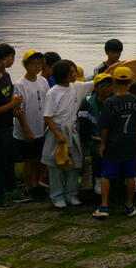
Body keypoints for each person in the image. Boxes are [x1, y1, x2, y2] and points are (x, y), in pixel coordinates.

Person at [41, 60, 96, 208]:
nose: (74, 74)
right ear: (62, 74)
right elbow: (47, 116)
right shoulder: (53, 92)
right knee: (56, 164)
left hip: (72, 129)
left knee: (74, 164)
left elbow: (95, 82)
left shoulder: (77, 87)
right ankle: (57, 195)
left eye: (74, 71)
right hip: (58, 130)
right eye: (71, 72)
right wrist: (58, 134)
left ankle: (71, 194)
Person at [93, 66, 136, 218]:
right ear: (130, 82)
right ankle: (130, 205)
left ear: (114, 81)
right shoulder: (135, 100)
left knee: (107, 175)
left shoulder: (110, 102)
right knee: (130, 175)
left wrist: (103, 144)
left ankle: (104, 206)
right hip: (130, 143)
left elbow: (105, 126)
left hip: (113, 143)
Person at [12, 50, 49, 202]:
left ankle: (36, 184)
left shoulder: (43, 81)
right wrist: (26, 130)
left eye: (39, 64)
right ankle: (28, 187)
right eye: (33, 64)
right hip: (27, 129)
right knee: (29, 160)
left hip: (41, 127)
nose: (37, 67)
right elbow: (19, 110)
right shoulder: (20, 85)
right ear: (26, 65)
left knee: (39, 159)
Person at [77, 72, 113, 197]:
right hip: (94, 139)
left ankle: (129, 177)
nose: (108, 89)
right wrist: (101, 139)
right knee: (98, 152)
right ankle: (98, 177)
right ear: (96, 88)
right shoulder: (87, 104)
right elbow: (84, 131)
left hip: (113, 138)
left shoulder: (115, 101)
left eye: (110, 85)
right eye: (104, 86)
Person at [0, 44, 22, 209]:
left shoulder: (5, 76)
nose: (5, 63)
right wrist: (12, 104)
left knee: (8, 160)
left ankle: (11, 190)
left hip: (7, 125)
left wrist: (15, 107)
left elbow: (10, 96)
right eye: (1, 60)